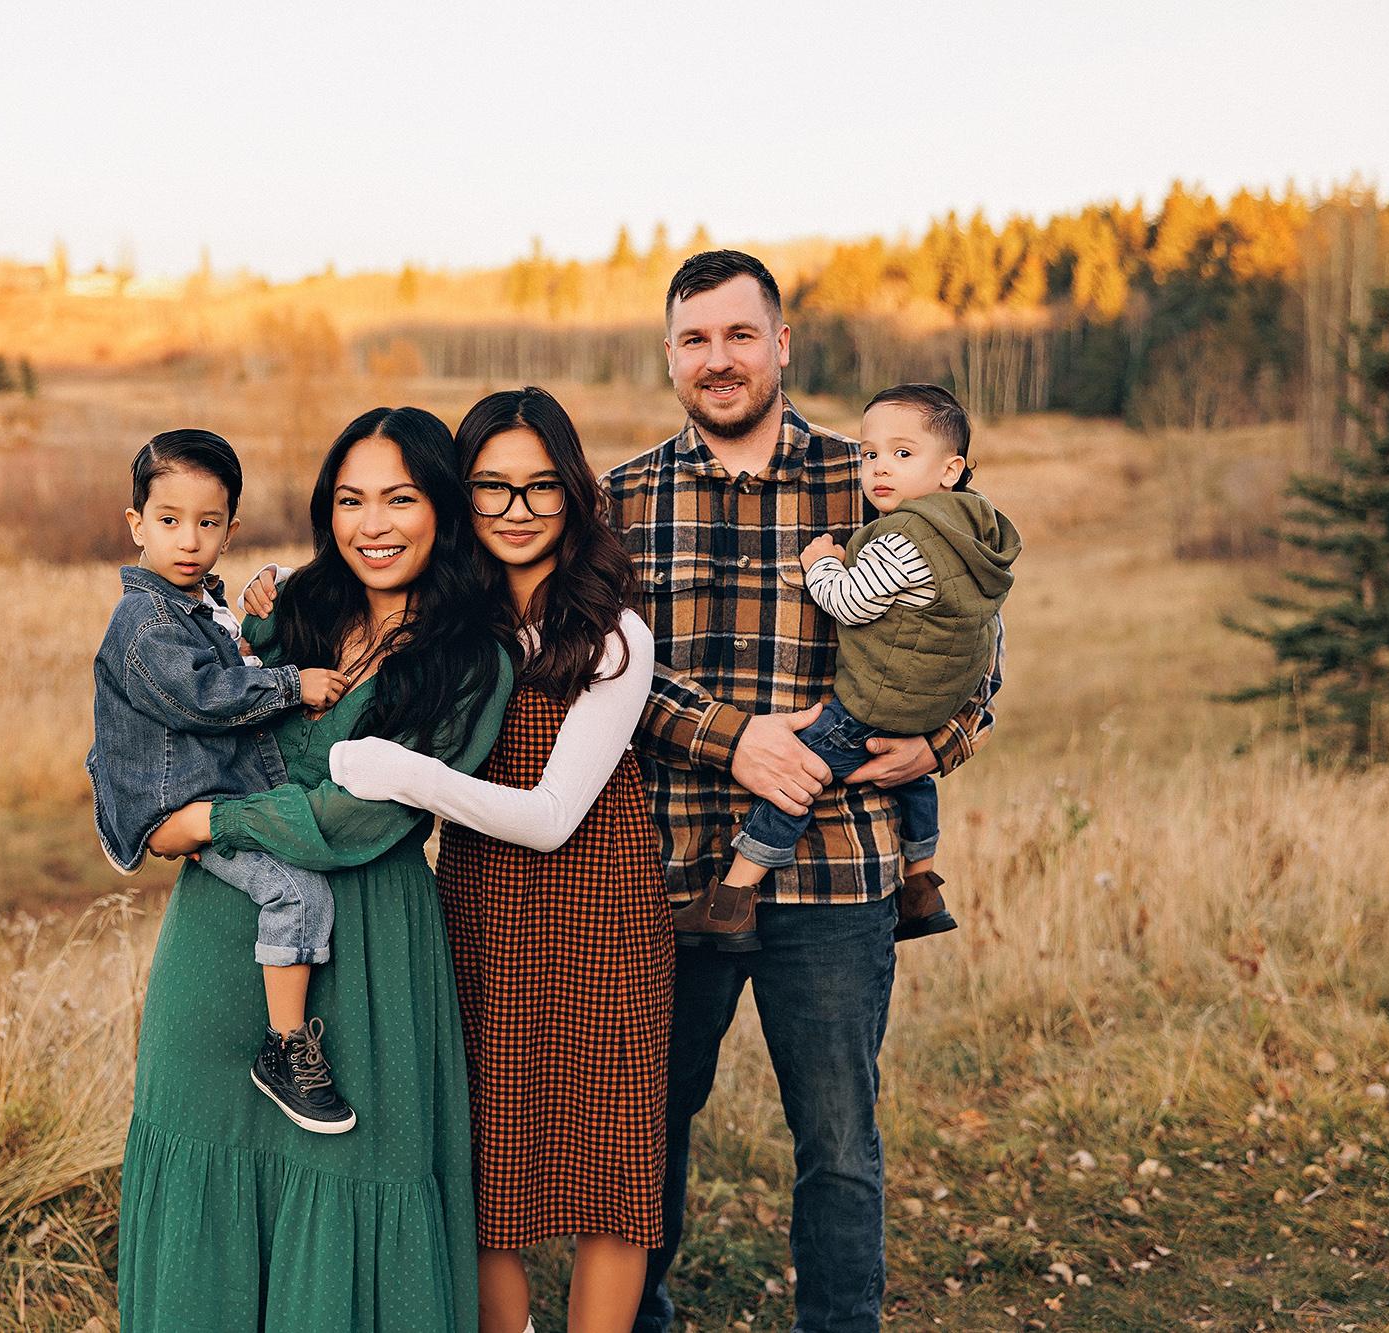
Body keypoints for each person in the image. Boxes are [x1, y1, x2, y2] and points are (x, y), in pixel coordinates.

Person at [608, 252, 1004, 1333]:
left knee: (837, 1142)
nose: (718, 358)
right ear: (669, 354)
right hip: (673, 873)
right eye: (695, 338)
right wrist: (731, 740)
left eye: (740, 334)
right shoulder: (622, 499)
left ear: (780, 345)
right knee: (649, 1127)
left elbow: (972, 637)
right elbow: (598, 672)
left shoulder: (873, 474)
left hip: (838, 875)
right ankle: (638, 1317)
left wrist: (941, 742)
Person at [116, 407, 515, 1333]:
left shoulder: (470, 658)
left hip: (367, 937)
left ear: (443, 508)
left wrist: (208, 819)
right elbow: (180, 708)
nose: (372, 525)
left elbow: (358, 817)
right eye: (350, 500)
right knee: (203, 1154)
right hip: (221, 933)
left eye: (400, 499)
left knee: (354, 1174)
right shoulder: (295, 611)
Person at [329, 387, 673, 1333]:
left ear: (574, 492)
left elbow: (553, 817)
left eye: (539, 486)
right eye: (490, 486)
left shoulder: (614, 634)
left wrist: (404, 772)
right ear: (462, 496)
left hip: (603, 917)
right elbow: (340, 594)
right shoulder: (449, 622)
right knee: (486, 1160)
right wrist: (274, 584)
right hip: (483, 912)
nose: (516, 510)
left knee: (612, 1171)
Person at [87, 429, 356, 1133]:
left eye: (208, 524)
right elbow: (201, 697)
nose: (189, 540)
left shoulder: (200, 602)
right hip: (179, 802)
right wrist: (292, 684)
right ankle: (286, 1047)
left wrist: (268, 598)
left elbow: (230, 655)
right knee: (296, 891)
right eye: (169, 520)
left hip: (208, 789)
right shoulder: (144, 623)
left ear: (230, 530)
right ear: (136, 523)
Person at [715, 384, 1020, 944]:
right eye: (870, 453)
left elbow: (851, 603)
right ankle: (922, 884)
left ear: (950, 470)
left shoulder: (902, 537)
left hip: (874, 702)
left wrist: (821, 565)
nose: (880, 468)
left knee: (795, 779)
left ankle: (733, 895)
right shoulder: (972, 527)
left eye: (902, 454)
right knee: (914, 781)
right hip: (929, 708)